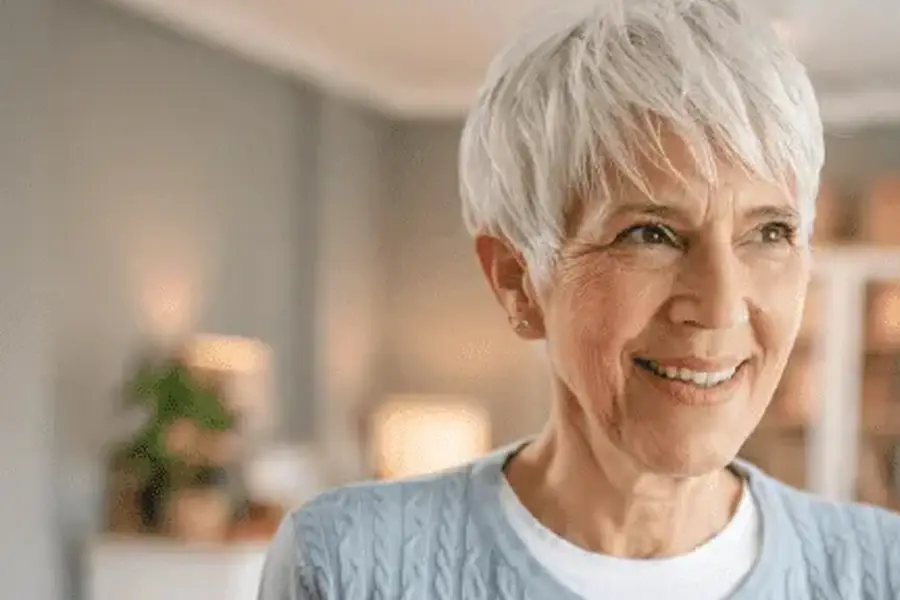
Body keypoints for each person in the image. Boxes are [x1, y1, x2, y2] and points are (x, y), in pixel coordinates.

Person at [258, 1, 900, 598]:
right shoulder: (352, 566)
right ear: (517, 281)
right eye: (651, 234)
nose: (722, 306)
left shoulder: (878, 571)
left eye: (770, 232)